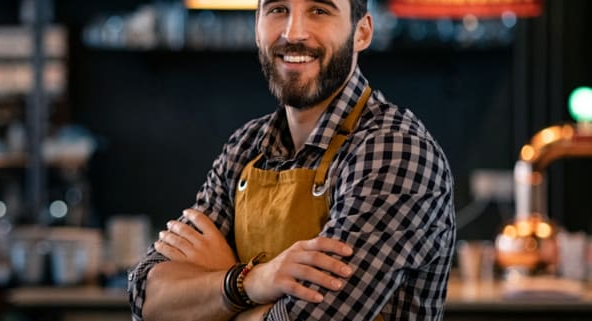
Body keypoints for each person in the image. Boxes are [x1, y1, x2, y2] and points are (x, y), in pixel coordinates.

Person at [128, 0, 456, 320]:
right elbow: (146, 298)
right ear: (257, 26)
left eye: (319, 10)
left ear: (362, 32)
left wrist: (218, 289)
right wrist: (249, 281)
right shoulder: (245, 147)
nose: (293, 32)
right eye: (277, 9)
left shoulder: (395, 151)